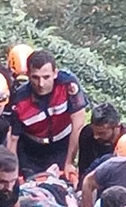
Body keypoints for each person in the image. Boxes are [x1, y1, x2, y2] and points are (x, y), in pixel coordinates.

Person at [6, 50, 88, 181]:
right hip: (31, 150)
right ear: (28, 75)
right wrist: (11, 172)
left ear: (55, 73)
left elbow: (78, 124)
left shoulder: (67, 84)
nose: (41, 84)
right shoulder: (19, 99)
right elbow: (13, 139)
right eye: (35, 77)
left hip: (62, 144)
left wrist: (69, 162)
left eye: (46, 77)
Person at [77, 103, 126, 178]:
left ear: (116, 127)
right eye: (94, 131)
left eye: (101, 133)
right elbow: (83, 168)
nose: (95, 136)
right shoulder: (87, 134)